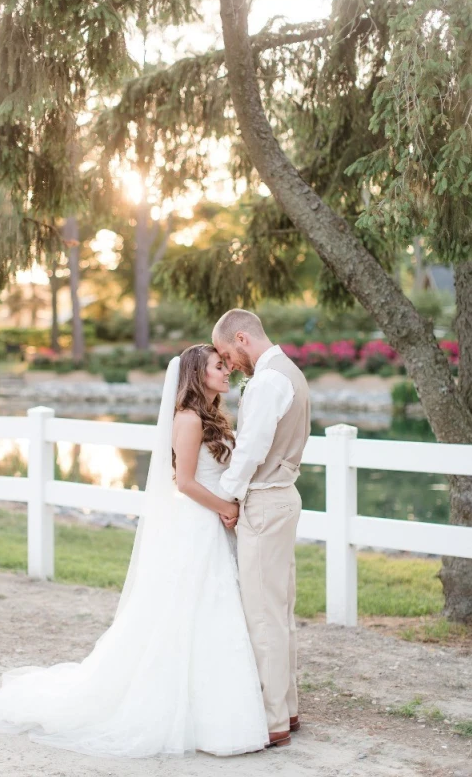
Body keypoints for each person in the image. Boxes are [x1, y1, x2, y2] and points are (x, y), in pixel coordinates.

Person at [0, 345, 269, 758]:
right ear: (199, 374)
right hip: (198, 527)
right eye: (219, 366)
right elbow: (185, 482)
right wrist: (226, 508)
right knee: (192, 614)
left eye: (226, 365)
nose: (227, 370)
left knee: (213, 614)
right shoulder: (190, 419)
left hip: (212, 527)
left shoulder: (213, 416)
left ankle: (213, 712)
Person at [212, 309, 311, 749]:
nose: (229, 363)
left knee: (263, 614)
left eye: (226, 354)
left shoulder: (268, 381)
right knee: (279, 609)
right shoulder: (289, 372)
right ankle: (286, 708)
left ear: (241, 337)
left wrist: (229, 496)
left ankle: (272, 720)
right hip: (283, 498)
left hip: (266, 502)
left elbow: (251, 448)